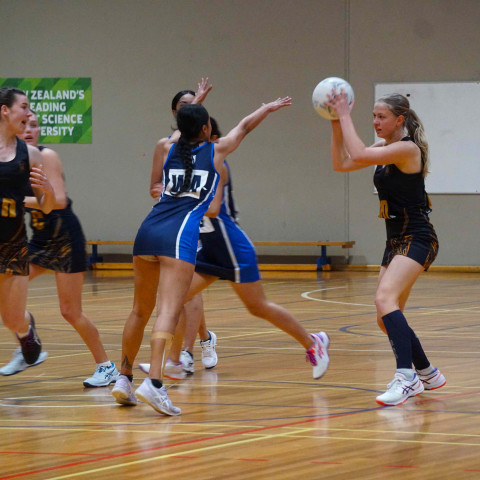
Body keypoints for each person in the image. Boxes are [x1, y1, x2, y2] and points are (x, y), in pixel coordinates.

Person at [112, 96, 292, 416]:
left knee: (139, 310)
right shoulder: (216, 150)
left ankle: (123, 379)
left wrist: (194, 109)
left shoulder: (169, 149)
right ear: (208, 129)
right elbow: (244, 127)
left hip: (147, 230)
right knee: (168, 310)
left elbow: (183, 130)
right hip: (178, 236)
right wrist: (267, 107)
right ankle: (154, 382)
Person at [140, 117, 330, 381]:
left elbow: (214, 209)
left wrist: (175, 200)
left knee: (258, 306)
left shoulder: (218, 164)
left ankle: (313, 342)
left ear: (211, 138)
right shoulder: (187, 162)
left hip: (230, 245)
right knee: (176, 299)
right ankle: (174, 361)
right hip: (208, 247)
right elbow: (168, 152)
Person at [325, 89, 445, 406]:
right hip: (395, 242)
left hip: (418, 237)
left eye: (381, 117)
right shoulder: (387, 146)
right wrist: (335, 122)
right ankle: (428, 372)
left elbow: (361, 154)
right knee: (384, 317)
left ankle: (406, 378)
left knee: (384, 298)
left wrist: (345, 114)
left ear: (399, 120)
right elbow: (342, 163)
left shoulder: (407, 149)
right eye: (373, 116)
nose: (376, 122)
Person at [0, 111, 119, 387]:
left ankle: (106, 366)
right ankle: (28, 342)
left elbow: (60, 200)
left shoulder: (46, 156)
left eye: (34, 125)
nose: (29, 130)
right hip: (39, 239)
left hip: (65, 238)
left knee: (70, 311)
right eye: (25, 124)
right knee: (9, 300)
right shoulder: (12, 159)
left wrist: (16, 200)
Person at [0, 87, 55, 367]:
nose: (29, 113)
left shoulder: (31, 155)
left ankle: (26, 328)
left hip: (12, 245)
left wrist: (46, 191)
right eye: (24, 107)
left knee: (11, 318)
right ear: (5, 110)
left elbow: (47, 206)